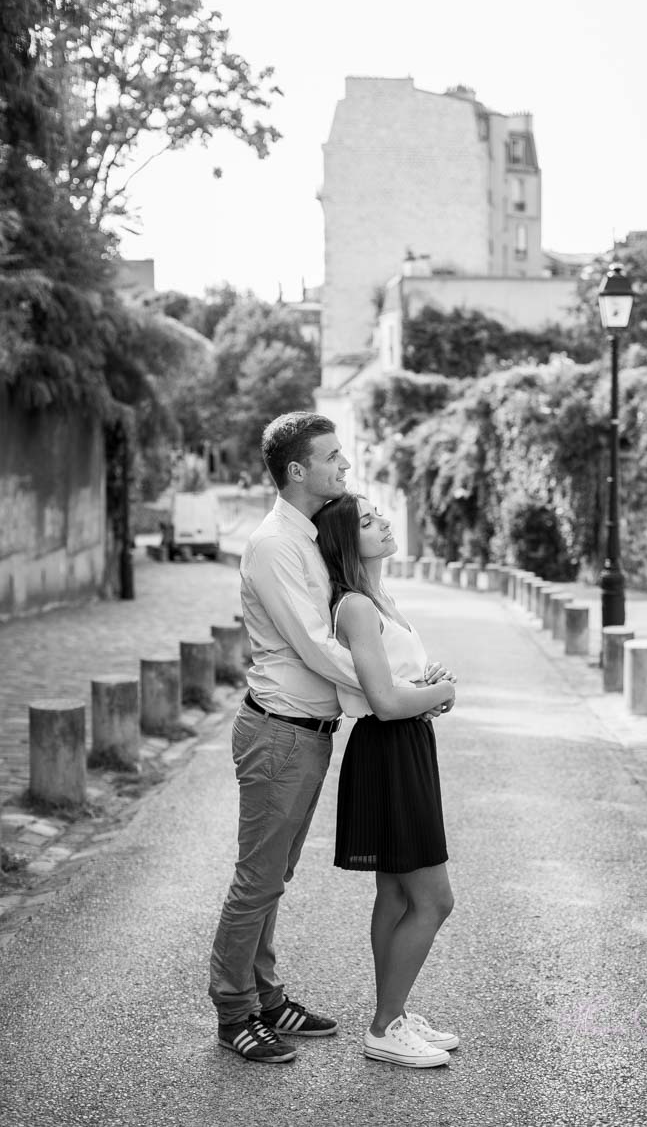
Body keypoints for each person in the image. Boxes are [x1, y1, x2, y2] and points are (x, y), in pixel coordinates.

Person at [208, 412, 448, 1065]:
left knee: (275, 877)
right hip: (279, 732)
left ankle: (265, 993)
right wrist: (391, 690)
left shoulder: (308, 537)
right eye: (333, 458)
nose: (343, 467)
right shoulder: (273, 545)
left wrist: (391, 686)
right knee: (257, 880)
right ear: (297, 470)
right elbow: (318, 647)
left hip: (309, 734)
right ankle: (235, 1011)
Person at [313, 492, 458, 1069]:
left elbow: (400, 690)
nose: (383, 524)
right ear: (348, 542)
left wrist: (425, 690)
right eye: (368, 522)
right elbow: (383, 700)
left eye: (378, 515)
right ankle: (383, 1026)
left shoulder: (380, 598)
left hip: (404, 743)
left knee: (396, 893)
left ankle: (393, 1014)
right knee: (434, 899)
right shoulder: (354, 607)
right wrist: (440, 693)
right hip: (389, 748)